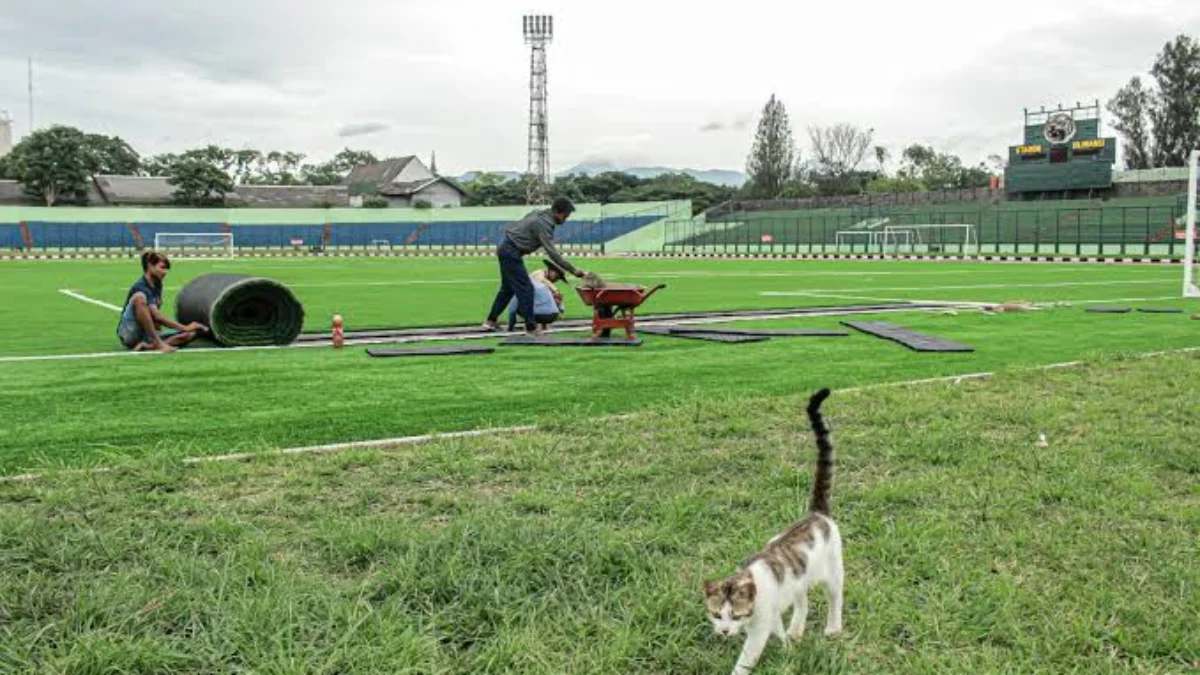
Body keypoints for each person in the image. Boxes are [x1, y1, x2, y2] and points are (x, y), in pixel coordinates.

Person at [482, 196, 588, 334]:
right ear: (558, 212)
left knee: (508, 289)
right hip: (511, 251)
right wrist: (573, 270)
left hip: (507, 247)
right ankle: (531, 327)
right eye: (565, 216)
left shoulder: (538, 213)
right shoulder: (543, 224)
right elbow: (552, 253)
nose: (565, 220)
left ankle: (491, 321)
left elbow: (522, 226)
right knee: (526, 289)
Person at [116, 251, 207, 352]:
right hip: (130, 332)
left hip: (147, 334)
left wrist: (183, 331)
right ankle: (157, 343)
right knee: (139, 297)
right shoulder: (141, 287)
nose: (165, 272)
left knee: (192, 334)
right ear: (150, 266)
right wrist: (185, 327)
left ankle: (148, 346)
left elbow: (155, 316)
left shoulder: (157, 283)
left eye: (166, 269)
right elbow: (157, 316)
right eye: (162, 267)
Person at [507, 260, 567, 331]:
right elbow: (541, 280)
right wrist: (554, 289)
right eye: (556, 276)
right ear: (551, 271)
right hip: (549, 314)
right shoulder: (539, 274)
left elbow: (513, 307)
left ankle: (532, 325)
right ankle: (535, 325)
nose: (556, 280)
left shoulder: (544, 283)